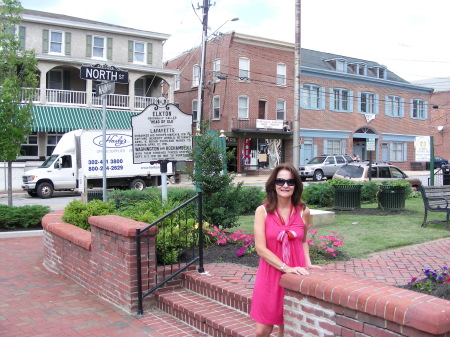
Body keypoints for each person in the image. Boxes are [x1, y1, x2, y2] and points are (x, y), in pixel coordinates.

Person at [250, 163, 319, 337]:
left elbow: (303, 241)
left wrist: (308, 263)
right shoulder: (262, 212)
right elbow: (260, 248)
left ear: (296, 185)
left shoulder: (304, 211)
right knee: (261, 331)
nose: (285, 185)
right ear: (274, 184)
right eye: (280, 181)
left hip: (296, 272)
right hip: (270, 274)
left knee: (287, 328)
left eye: (290, 182)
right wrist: (285, 268)